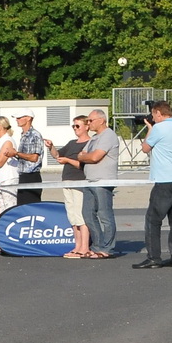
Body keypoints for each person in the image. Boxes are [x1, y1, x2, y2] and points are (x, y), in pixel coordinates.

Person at [136, 100, 172, 269]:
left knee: (153, 219)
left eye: (153, 115)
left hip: (165, 180)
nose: (153, 118)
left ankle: (153, 257)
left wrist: (150, 129)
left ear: (158, 113)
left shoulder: (159, 128)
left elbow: (145, 148)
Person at [77, 109, 120, 258]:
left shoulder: (109, 135)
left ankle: (107, 248)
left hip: (103, 181)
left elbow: (95, 157)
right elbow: (80, 155)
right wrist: (86, 157)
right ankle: (97, 245)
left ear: (101, 120)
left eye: (91, 120)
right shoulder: (94, 138)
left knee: (104, 214)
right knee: (87, 214)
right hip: (89, 180)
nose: (88, 123)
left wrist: (86, 157)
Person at [54, 115, 91, 258]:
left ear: (86, 126)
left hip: (79, 181)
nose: (75, 128)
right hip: (67, 181)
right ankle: (77, 246)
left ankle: (84, 247)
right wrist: (51, 147)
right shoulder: (71, 143)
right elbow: (57, 155)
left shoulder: (90, 143)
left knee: (80, 215)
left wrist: (68, 160)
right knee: (72, 216)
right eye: (73, 126)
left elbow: (83, 165)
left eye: (78, 126)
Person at [12, 114, 45, 204]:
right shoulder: (23, 135)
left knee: (31, 206)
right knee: (22, 206)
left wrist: (16, 153)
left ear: (28, 118)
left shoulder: (35, 135)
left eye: (19, 117)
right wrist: (14, 154)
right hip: (23, 176)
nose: (17, 120)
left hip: (32, 176)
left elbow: (34, 158)